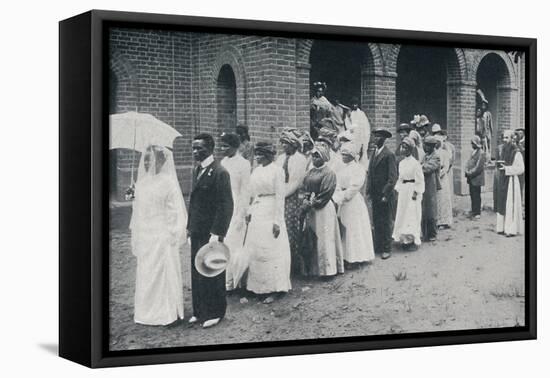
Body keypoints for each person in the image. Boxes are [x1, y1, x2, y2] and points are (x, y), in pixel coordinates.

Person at [129, 145, 187, 326]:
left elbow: (175, 211)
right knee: (147, 272)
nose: (147, 162)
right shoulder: (142, 183)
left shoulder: (168, 182)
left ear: (161, 161)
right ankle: (146, 311)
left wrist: (172, 232)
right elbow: (139, 211)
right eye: (145, 159)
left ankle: (166, 312)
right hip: (146, 233)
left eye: (151, 159)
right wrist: (134, 195)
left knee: (163, 271)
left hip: (162, 234)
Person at [187, 133, 234, 328]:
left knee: (213, 270)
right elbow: (194, 203)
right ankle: (200, 311)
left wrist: (217, 233)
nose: (196, 151)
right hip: (197, 230)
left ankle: (216, 312)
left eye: (200, 148)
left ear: (211, 148)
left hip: (211, 232)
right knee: (197, 270)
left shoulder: (220, 172)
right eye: (194, 148)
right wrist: (189, 228)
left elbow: (226, 205)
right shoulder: (197, 169)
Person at [244, 142, 292, 303]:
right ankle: (257, 287)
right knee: (256, 249)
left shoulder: (277, 171)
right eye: (256, 154)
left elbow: (280, 197)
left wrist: (277, 221)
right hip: (258, 211)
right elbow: (253, 194)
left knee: (271, 248)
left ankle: (275, 288)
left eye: (260, 154)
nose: (257, 157)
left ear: (268, 155)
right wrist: (249, 211)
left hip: (271, 211)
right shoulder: (256, 171)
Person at [300, 142, 344, 277]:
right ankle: (314, 269)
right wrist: (305, 200)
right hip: (312, 210)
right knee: (313, 237)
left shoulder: (329, 173)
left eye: (317, 156)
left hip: (323, 208)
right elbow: (305, 188)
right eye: (313, 156)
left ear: (324, 157)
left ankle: (328, 270)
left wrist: (313, 203)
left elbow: (326, 193)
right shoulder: (310, 172)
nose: (314, 159)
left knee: (325, 238)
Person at [332, 143, 375, 265]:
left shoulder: (358, 169)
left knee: (354, 229)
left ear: (352, 155)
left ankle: (356, 258)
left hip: (353, 202)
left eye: (346, 155)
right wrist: (338, 196)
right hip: (342, 202)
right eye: (342, 154)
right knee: (344, 227)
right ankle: (345, 257)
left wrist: (344, 197)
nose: (343, 157)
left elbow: (355, 187)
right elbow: (337, 185)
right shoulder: (342, 169)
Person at [220, 132, 251, 290]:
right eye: (222, 145)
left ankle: (232, 282)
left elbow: (245, 191)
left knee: (234, 244)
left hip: (236, 205)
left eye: (226, 146)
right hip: (222, 206)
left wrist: (241, 214)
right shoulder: (223, 162)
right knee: (221, 243)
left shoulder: (244, 164)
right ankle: (221, 279)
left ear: (234, 147)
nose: (222, 148)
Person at [275, 128, 308, 275]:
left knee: (291, 228)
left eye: (287, 144)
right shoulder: (280, 158)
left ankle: (293, 265)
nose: (284, 146)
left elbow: (296, 182)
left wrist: (282, 195)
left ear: (294, 144)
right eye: (282, 143)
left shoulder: (300, 160)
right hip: (279, 195)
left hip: (292, 198)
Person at [366, 128, 397, 259]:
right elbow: (370, 173)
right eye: (374, 136)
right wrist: (368, 190)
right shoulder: (374, 153)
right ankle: (378, 245)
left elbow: (392, 177)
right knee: (377, 220)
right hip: (375, 193)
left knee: (385, 221)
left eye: (378, 137)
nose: (375, 139)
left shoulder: (388, 154)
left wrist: (385, 193)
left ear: (384, 139)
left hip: (384, 194)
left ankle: (386, 248)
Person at [392, 137, 425, 249]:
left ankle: (412, 239)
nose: (403, 149)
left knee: (411, 214)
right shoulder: (401, 163)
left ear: (410, 149)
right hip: (403, 190)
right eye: (402, 147)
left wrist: (416, 192)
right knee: (402, 213)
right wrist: (397, 189)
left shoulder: (415, 164)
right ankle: (404, 239)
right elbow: (400, 178)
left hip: (412, 190)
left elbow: (420, 180)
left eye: (406, 147)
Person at [494, 130, 524, 236]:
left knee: (510, 203)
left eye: (507, 138)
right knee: (501, 202)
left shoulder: (517, 152)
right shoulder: (503, 150)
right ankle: (501, 227)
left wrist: (507, 169)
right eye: (503, 138)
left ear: (512, 139)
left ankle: (510, 229)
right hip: (503, 179)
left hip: (511, 181)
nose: (504, 140)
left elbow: (521, 169)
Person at [420, 136, 441, 242]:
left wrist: (418, 168)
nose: (425, 147)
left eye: (427, 145)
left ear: (432, 146)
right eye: (425, 145)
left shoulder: (436, 157)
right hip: (424, 184)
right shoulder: (425, 156)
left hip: (431, 185)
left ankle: (432, 232)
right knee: (424, 208)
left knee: (431, 209)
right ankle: (425, 232)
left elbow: (427, 168)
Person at [432, 125, 453, 229]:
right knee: (436, 199)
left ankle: (444, 221)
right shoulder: (433, 153)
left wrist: (439, 174)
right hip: (434, 179)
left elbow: (446, 167)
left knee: (443, 199)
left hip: (442, 179)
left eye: (437, 142)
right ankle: (436, 220)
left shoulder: (444, 153)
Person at [465, 135, 486, 219]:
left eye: (472, 143)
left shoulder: (481, 153)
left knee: (476, 195)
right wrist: (466, 169)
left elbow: (478, 167)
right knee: (472, 194)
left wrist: (470, 172)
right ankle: (473, 210)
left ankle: (477, 212)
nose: (471, 145)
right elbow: (468, 161)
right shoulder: (473, 152)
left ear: (476, 143)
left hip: (476, 178)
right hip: (471, 178)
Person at [348, 96, 371, 171]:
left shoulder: (361, 114)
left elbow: (366, 126)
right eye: (353, 104)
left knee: (362, 155)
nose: (355, 106)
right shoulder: (349, 114)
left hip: (361, 137)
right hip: (353, 137)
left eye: (356, 104)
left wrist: (365, 138)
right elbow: (348, 126)